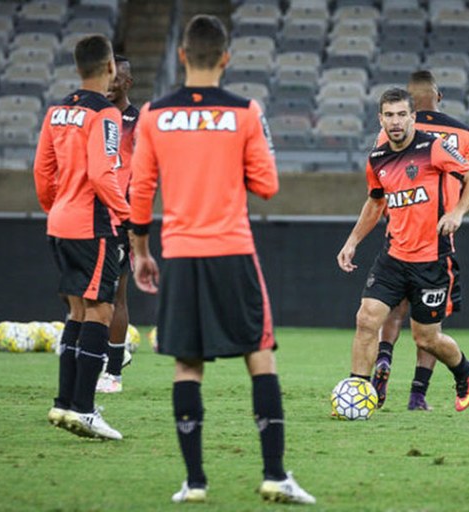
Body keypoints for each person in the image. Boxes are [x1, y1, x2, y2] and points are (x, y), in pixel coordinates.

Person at [129, 15, 315, 505]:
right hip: (232, 250)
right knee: (260, 354)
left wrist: (142, 252)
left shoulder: (153, 114)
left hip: (181, 253)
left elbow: (140, 191)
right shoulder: (245, 112)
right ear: (226, 58)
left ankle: (194, 483)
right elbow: (267, 185)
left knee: (187, 364)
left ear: (182, 56)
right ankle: (274, 475)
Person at [337, 87, 469, 413]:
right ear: (380, 119)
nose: (395, 121)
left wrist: (457, 212)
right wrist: (352, 241)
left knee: (426, 339)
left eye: (402, 114)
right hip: (393, 257)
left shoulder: (434, 148)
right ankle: (357, 397)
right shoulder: (378, 158)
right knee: (366, 319)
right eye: (389, 115)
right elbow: (375, 203)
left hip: (432, 260)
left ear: (412, 117)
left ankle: (464, 370)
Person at [34, 34, 130, 440]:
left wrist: (57, 208)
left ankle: (64, 404)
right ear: (109, 67)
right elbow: (101, 173)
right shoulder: (105, 113)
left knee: (77, 311)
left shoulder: (56, 111)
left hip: (60, 222)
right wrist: (125, 216)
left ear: (77, 68)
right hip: (93, 225)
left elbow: (42, 171)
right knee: (100, 312)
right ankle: (85, 410)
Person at [96, 54, 139, 394]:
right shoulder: (96, 116)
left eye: (116, 79)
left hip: (121, 217)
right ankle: (112, 351)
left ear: (128, 82)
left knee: (115, 295)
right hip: (90, 215)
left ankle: (112, 373)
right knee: (76, 294)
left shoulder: (138, 123)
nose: (110, 84)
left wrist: (134, 219)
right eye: (107, 77)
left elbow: (145, 175)